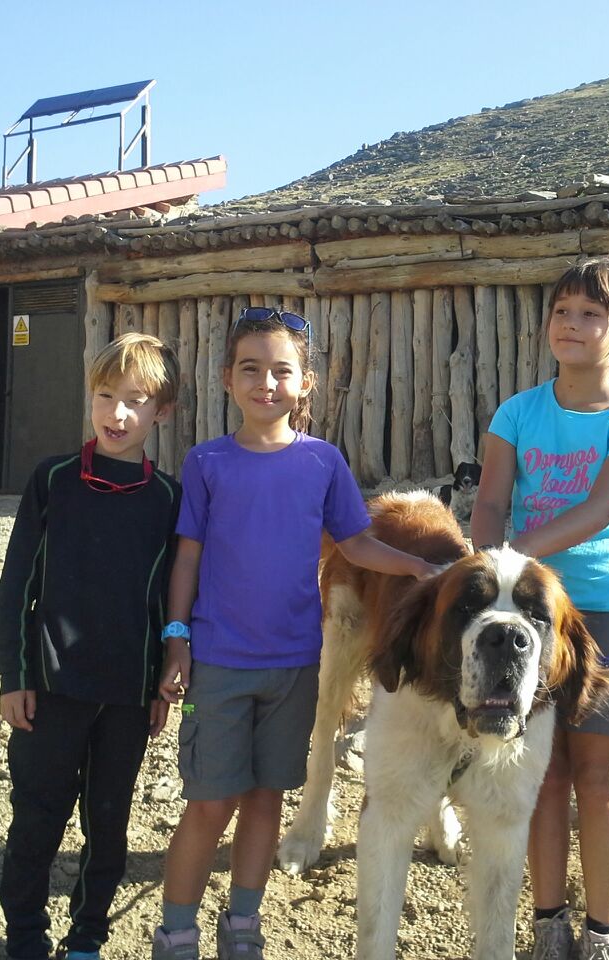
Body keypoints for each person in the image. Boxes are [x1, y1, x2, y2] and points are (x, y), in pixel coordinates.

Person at [150, 306, 441, 960]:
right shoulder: (207, 463)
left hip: (292, 668)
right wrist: (176, 637)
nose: (266, 383)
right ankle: (175, 931)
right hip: (217, 666)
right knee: (207, 802)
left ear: (306, 383)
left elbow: (357, 543)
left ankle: (243, 926)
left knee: (264, 799)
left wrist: (420, 566)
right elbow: (188, 555)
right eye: (250, 369)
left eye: (282, 371)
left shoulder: (323, 463)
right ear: (227, 378)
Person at [471, 256, 609, 960]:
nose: (572, 325)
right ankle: (548, 921)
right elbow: (489, 500)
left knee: (597, 772)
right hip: (524, 616)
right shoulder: (518, 413)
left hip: (601, 611)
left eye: (591, 314)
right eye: (562, 312)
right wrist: (492, 570)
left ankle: (603, 930)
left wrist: (516, 557)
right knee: (542, 773)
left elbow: (600, 508)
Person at [0, 332, 182, 960]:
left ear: (164, 410)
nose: (117, 414)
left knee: (109, 822)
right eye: (106, 395)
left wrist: (160, 684)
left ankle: (87, 937)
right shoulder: (52, 481)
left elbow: (167, 604)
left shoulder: (168, 498)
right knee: (39, 816)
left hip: (126, 698)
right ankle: (24, 934)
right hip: (49, 689)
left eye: (136, 400)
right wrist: (13, 675)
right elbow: (16, 586)